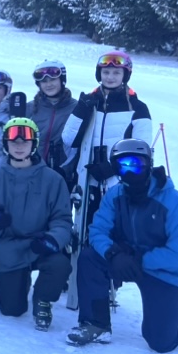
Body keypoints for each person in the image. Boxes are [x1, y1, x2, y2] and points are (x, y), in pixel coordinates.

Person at [67, 138, 178, 351]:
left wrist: (139, 258)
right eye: (122, 165)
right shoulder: (115, 195)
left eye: (136, 164)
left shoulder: (176, 203)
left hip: (165, 271)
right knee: (90, 258)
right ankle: (95, 323)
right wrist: (112, 253)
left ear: (149, 164)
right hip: (123, 260)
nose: (129, 171)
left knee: (161, 343)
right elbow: (97, 230)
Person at [0, 118, 72, 329]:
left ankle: (43, 300)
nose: (19, 146)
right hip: (9, 246)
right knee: (12, 309)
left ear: (34, 144)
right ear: (6, 145)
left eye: (25, 141)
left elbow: (63, 218)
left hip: (40, 243)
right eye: (14, 142)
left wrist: (53, 239)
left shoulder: (53, 179)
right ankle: (18, 282)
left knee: (60, 264)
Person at [60, 51, 152, 232]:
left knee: (114, 229)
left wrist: (113, 167)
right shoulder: (89, 103)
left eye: (116, 73)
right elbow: (69, 139)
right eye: (106, 72)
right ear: (99, 74)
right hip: (88, 179)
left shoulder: (138, 108)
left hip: (119, 182)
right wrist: (81, 109)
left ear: (125, 75)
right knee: (87, 228)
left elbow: (142, 147)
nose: (110, 77)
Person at [28, 60, 78, 187]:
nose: (48, 84)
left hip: (63, 176)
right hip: (32, 174)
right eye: (44, 81)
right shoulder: (30, 108)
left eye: (53, 80)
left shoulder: (76, 108)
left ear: (62, 80)